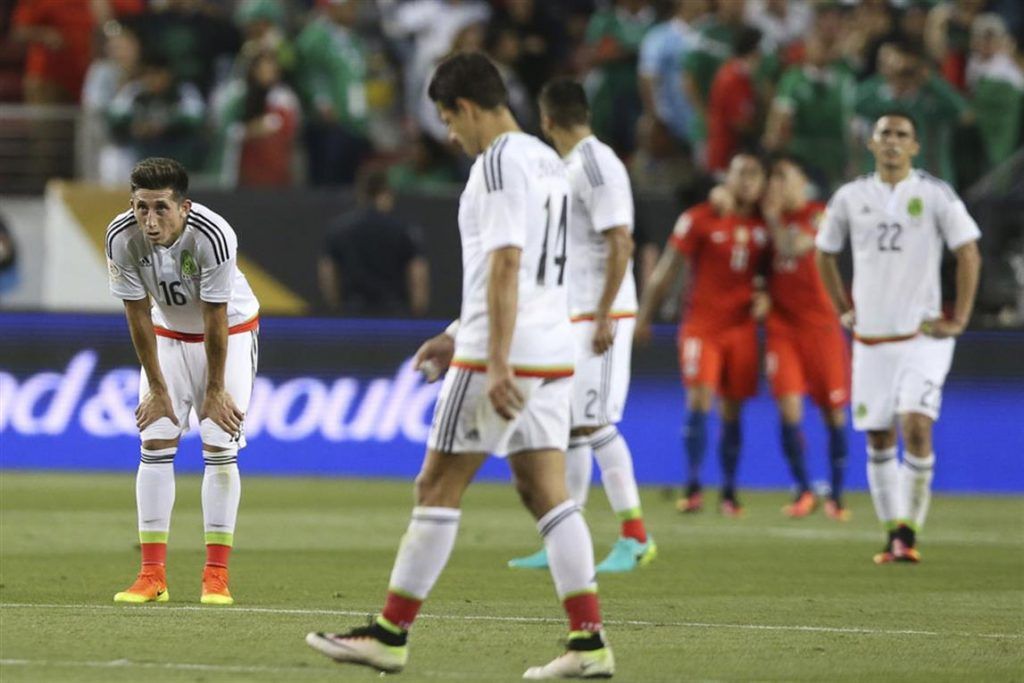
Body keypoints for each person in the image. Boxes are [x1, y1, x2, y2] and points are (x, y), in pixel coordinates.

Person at [305, 53, 614, 679]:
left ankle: (389, 633)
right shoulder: (547, 161)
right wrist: (454, 332)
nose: (449, 135)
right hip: (552, 351)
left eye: (449, 119)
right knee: (546, 493)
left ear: (469, 108)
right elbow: (527, 271)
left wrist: (493, 360)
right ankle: (589, 643)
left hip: (503, 353)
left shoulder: (497, 161)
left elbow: (506, 262)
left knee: (436, 486)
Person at [815, 112, 981, 563]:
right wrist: (843, 307)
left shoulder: (934, 194)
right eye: (884, 134)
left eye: (901, 135)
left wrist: (959, 318)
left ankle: (909, 531)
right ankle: (893, 534)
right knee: (879, 436)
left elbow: (968, 251)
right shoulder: (850, 197)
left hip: (922, 337)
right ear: (871, 144)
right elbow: (824, 252)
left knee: (916, 426)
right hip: (870, 339)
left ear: (915, 147)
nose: (892, 141)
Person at [508, 78, 655, 574]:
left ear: (547, 119)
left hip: (601, 314)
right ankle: (566, 537)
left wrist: (604, 312)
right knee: (571, 425)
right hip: (577, 313)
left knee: (595, 421)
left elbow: (621, 241)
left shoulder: (596, 164)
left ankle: (636, 537)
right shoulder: (571, 166)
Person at [106, 157, 260, 604]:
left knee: (218, 442)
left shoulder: (213, 235)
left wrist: (215, 390)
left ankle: (216, 576)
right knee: (154, 440)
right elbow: (137, 313)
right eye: (141, 208)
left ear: (184, 207)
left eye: (161, 208)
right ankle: (151, 576)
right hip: (168, 337)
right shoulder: (120, 237)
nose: (150, 221)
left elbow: (215, 316)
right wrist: (157, 388)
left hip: (230, 334)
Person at [636, 153, 769, 516]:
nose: (747, 181)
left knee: (733, 409)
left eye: (754, 174)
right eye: (740, 173)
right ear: (727, 177)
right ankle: (693, 486)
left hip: (741, 329)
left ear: (762, 183)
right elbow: (667, 269)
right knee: (699, 401)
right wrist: (644, 316)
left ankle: (729, 492)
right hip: (702, 327)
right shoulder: (699, 219)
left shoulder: (765, 223)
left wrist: (767, 298)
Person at [719, 156, 852, 520]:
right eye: (773, 178)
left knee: (833, 412)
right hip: (783, 328)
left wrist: (774, 217)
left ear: (802, 182)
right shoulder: (764, 221)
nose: (776, 184)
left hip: (822, 327)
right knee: (787, 407)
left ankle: (837, 495)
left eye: (784, 177)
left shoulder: (818, 214)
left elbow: (794, 247)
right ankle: (804, 489)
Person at [318, 169, 430, 317]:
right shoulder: (402, 230)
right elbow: (417, 271)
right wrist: (418, 307)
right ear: (385, 193)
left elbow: (328, 271)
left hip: (352, 312)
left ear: (360, 193)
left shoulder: (339, 229)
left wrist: (335, 304)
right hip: (392, 312)